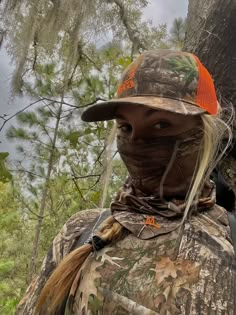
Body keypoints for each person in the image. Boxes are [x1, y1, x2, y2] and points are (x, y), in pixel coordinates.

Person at [16, 50, 236, 315]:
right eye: (126, 128)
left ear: (203, 133)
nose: (136, 141)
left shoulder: (227, 243)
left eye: (161, 125)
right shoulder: (80, 231)